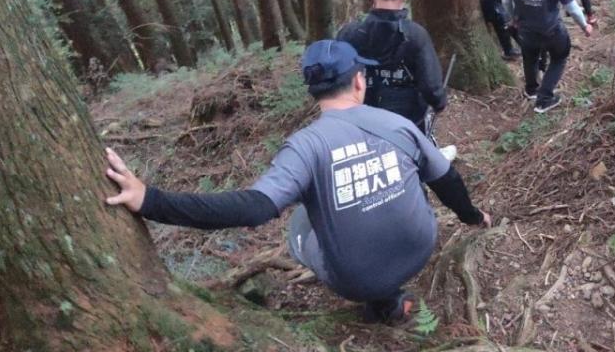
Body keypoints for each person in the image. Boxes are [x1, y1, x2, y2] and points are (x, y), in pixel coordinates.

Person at [104, 40, 491, 324]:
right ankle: (389, 298)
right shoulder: (397, 124)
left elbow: (256, 207)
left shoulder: (306, 146)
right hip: (421, 246)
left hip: (356, 280)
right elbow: (448, 180)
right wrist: (473, 218)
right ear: (359, 81)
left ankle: (382, 301)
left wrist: (149, 200)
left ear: (313, 89)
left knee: (299, 224)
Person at [337, 0, 446, 133]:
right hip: (408, 123)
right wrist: (439, 102)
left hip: (362, 122)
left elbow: (337, 78)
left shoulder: (349, 34)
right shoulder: (416, 35)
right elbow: (431, 85)